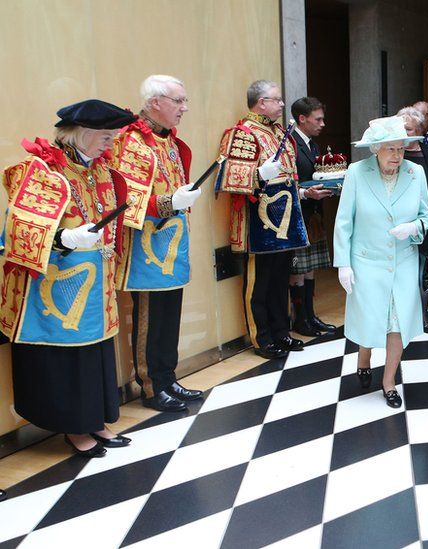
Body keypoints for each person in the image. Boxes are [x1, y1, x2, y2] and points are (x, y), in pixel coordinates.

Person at [1, 99, 136, 457]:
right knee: (69, 358)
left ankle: (95, 420)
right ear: (83, 134)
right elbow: (20, 227)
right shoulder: (43, 170)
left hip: (97, 284)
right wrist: (64, 238)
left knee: (96, 353)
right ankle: (74, 428)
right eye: (106, 138)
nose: (110, 145)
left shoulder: (100, 169)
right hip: (58, 286)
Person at [113, 75, 203, 413]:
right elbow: (128, 197)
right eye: (178, 101)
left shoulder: (168, 141)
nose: (185, 108)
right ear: (155, 103)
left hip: (172, 241)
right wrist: (169, 203)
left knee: (170, 313)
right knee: (150, 317)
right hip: (146, 246)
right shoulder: (132, 141)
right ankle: (151, 384)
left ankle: (168, 376)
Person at [333, 116, 428, 408]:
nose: (397, 155)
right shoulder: (356, 172)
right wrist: (343, 263)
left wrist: (413, 228)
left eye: (401, 149)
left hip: (403, 261)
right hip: (366, 261)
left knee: (396, 322)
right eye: (390, 149)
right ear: (375, 149)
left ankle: (388, 381)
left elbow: (427, 216)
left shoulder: (416, 173)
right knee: (371, 317)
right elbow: (343, 222)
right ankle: (364, 357)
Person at [215, 80, 309, 359]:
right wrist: (258, 175)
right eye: (276, 100)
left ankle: (282, 332)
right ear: (261, 102)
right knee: (260, 284)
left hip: (286, 219)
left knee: (281, 279)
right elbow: (228, 177)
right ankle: (262, 337)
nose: (282, 104)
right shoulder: (242, 133)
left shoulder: (279, 131)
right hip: (258, 223)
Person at [289, 96, 337, 337]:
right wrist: (306, 193)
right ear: (302, 119)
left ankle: (311, 314)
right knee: (298, 269)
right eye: (318, 119)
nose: (322, 124)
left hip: (314, 214)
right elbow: (286, 182)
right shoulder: (290, 143)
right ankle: (300, 319)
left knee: (310, 268)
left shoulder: (313, 145)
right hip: (296, 215)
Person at [399, 105, 428, 333]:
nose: (403, 133)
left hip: (426, 221)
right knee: (403, 272)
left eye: (407, 128)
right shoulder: (393, 153)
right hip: (399, 222)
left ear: (418, 130)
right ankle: (402, 315)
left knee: (424, 270)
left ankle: (422, 315)